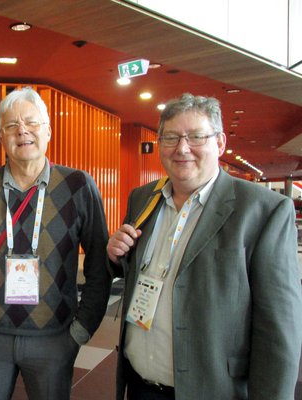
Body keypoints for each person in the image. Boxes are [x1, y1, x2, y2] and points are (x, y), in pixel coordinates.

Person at [107, 93, 302, 399]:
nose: (182, 148)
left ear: (220, 142)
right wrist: (117, 257)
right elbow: (137, 270)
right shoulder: (143, 199)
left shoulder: (263, 211)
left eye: (196, 136)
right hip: (140, 384)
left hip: (211, 389)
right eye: (170, 137)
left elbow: (279, 329)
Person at [0, 87, 112, 400]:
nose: (22, 131)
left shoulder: (77, 186)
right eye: (11, 125)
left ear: (48, 130)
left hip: (54, 338)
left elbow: (99, 266)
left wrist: (79, 332)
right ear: (1, 135)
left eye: (31, 122)